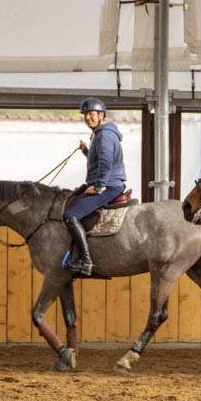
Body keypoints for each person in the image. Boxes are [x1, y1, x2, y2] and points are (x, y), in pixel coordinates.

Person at [62, 97, 126, 276]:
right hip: (106, 182)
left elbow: (106, 161)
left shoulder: (104, 135)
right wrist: (86, 152)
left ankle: (85, 260)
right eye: (85, 115)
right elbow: (99, 158)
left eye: (91, 114)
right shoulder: (100, 134)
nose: (87, 118)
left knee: (70, 215)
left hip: (109, 185)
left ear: (101, 115)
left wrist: (99, 186)